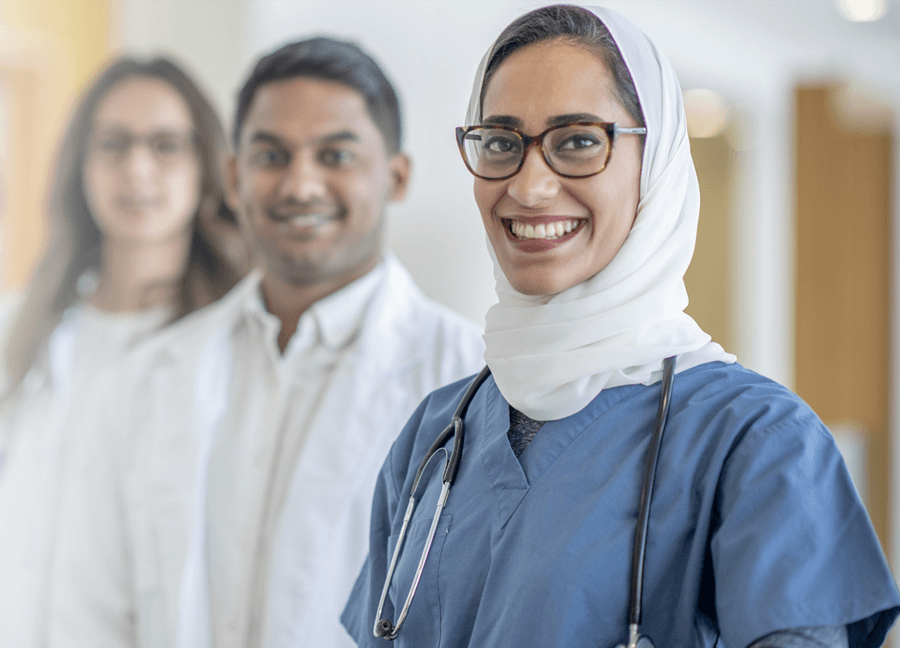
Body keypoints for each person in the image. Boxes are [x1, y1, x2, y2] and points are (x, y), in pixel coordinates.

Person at [341, 5, 900, 648]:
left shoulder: (758, 442)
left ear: (656, 160)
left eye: (577, 141)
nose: (529, 186)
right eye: (501, 143)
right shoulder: (436, 435)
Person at [47, 37, 484, 648]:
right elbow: (91, 612)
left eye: (335, 155)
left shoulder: (471, 387)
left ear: (397, 176)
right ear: (233, 176)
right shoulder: (148, 377)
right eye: (272, 155)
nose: (300, 185)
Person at [0, 57, 243, 648]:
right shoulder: (20, 324)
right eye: (114, 144)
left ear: (207, 166)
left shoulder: (232, 344)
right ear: (81, 164)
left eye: (165, 145)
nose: (137, 168)